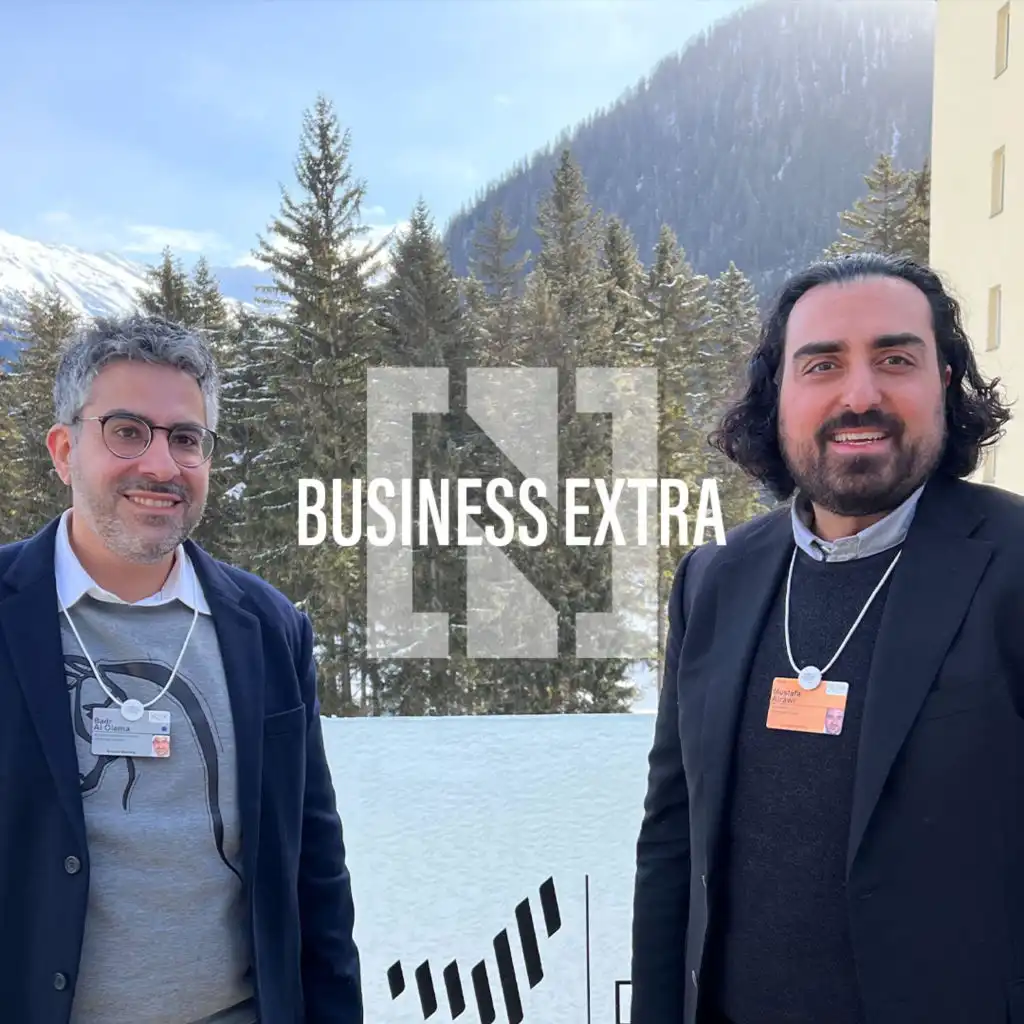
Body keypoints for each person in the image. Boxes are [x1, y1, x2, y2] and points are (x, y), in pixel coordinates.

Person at [630, 253, 1024, 1024]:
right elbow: (671, 844)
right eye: (822, 365)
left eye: (896, 360)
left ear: (944, 383)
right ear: (777, 393)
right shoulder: (713, 581)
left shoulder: (1013, 567)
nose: (860, 394)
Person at [0, 314, 362, 1023]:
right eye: (127, 431)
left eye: (186, 439)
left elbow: (314, 870)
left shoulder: (268, 628)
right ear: (65, 450)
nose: (162, 466)